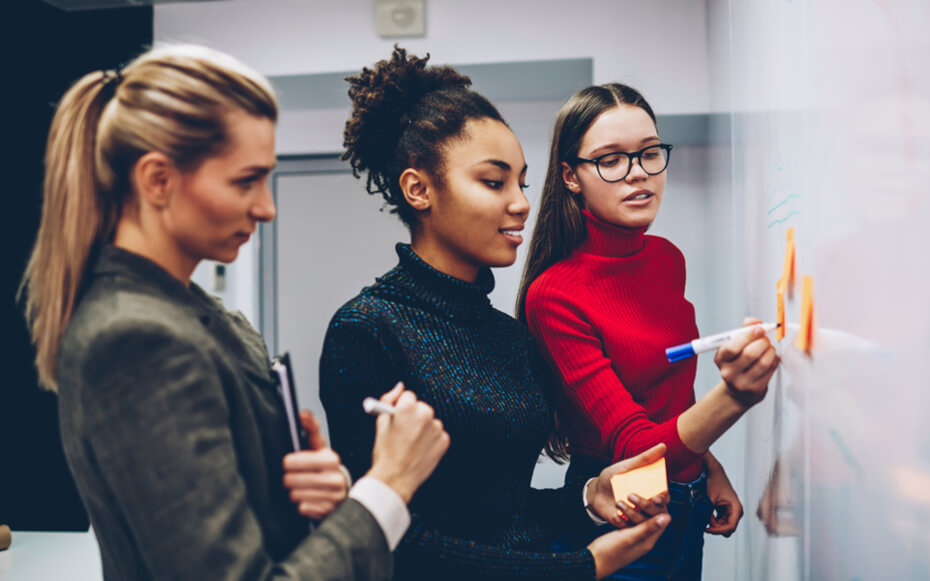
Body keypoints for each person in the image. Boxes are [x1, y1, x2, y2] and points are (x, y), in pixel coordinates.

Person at [20, 43, 449, 581]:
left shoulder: (207, 319)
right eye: (245, 181)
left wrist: (315, 497)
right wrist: (387, 488)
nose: (267, 207)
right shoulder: (135, 338)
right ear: (158, 180)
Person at [319, 47, 671, 581]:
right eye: (493, 181)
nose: (522, 202)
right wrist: (582, 567)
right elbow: (391, 540)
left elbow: (503, 511)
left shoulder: (510, 336)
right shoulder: (367, 330)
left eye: (522, 182)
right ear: (419, 189)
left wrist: (586, 497)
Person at [517, 83, 780, 579]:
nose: (638, 172)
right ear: (570, 176)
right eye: (611, 159)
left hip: (690, 500)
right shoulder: (553, 295)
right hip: (620, 515)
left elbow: (668, 393)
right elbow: (635, 446)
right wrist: (734, 398)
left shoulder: (665, 258)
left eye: (649, 153)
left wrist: (708, 468)